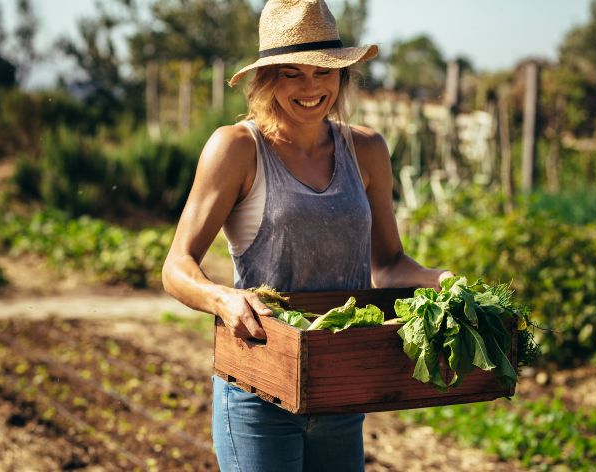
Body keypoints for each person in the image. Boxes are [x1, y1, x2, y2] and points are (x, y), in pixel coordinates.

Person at [162, 0, 453, 470]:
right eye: (292, 73)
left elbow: (389, 264)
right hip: (258, 386)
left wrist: (444, 282)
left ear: (343, 74)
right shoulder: (237, 148)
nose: (311, 87)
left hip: (339, 383)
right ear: (267, 78)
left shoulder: (368, 149)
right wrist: (222, 299)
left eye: (323, 71)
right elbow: (176, 266)